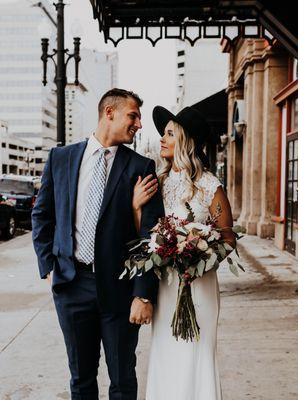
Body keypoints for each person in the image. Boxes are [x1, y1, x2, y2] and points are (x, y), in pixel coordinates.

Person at [32, 88, 164, 400]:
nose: (139, 124)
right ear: (109, 113)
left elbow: (152, 233)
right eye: (133, 116)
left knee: (122, 378)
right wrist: (49, 267)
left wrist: (143, 294)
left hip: (119, 289)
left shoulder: (140, 167)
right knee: (81, 378)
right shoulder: (61, 158)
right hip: (72, 285)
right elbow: (42, 216)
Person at [132, 106, 236, 400]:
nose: (162, 139)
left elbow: (228, 239)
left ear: (186, 141)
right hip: (164, 285)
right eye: (163, 134)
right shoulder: (158, 182)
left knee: (196, 353)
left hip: (198, 285)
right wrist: (136, 207)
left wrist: (197, 257)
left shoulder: (208, 186)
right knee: (167, 352)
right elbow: (145, 234)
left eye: (169, 134)